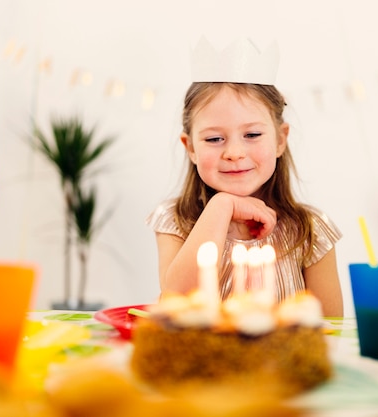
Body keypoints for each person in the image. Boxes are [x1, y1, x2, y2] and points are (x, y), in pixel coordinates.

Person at [146, 38, 343, 316]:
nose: (234, 152)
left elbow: (330, 331)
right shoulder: (176, 220)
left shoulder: (310, 231)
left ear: (280, 139)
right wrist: (222, 206)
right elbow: (177, 302)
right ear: (190, 147)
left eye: (251, 135)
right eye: (214, 138)